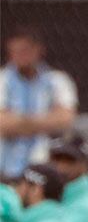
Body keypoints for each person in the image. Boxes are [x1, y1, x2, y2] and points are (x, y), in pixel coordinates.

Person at [0, 27, 78, 179]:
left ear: (38, 50)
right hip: (5, 169)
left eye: (25, 50)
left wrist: (18, 122)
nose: (20, 56)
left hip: (45, 168)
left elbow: (65, 120)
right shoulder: (2, 80)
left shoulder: (57, 81)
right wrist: (46, 120)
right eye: (15, 51)